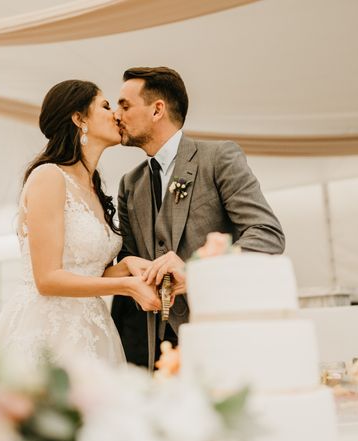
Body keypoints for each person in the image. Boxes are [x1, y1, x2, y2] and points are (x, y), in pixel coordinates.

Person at [0, 80, 160, 370]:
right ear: (78, 118)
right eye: (105, 106)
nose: (116, 114)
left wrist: (128, 266)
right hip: (48, 330)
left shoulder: (94, 187)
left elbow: (86, 271)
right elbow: (48, 279)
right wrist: (126, 286)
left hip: (92, 329)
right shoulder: (49, 177)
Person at [112, 67, 285, 369]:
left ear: (157, 110)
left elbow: (268, 234)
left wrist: (198, 271)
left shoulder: (218, 158)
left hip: (222, 330)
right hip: (159, 347)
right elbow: (128, 257)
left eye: (125, 105)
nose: (116, 114)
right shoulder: (130, 184)